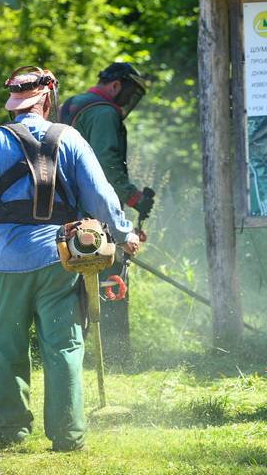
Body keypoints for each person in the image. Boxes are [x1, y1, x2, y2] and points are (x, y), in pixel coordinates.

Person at [0, 66, 140, 452]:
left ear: (14, 106)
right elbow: (101, 197)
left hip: (6, 263)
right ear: (47, 99)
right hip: (59, 259)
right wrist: (125, 235)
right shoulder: (69, 137)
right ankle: (68, 437)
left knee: (8, 348)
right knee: (65, 348)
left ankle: (12, 433)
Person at [60, 62, 154, 364]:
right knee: (112, 278)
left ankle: (78, 352)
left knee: (75, 285)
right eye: (128, 92)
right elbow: (107, 167)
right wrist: (133, 196)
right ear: (116, 86)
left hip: (68, 214)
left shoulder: (72, 105)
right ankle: (116, 358)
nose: (127, 101)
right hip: (96, 218)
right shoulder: (103, 112)